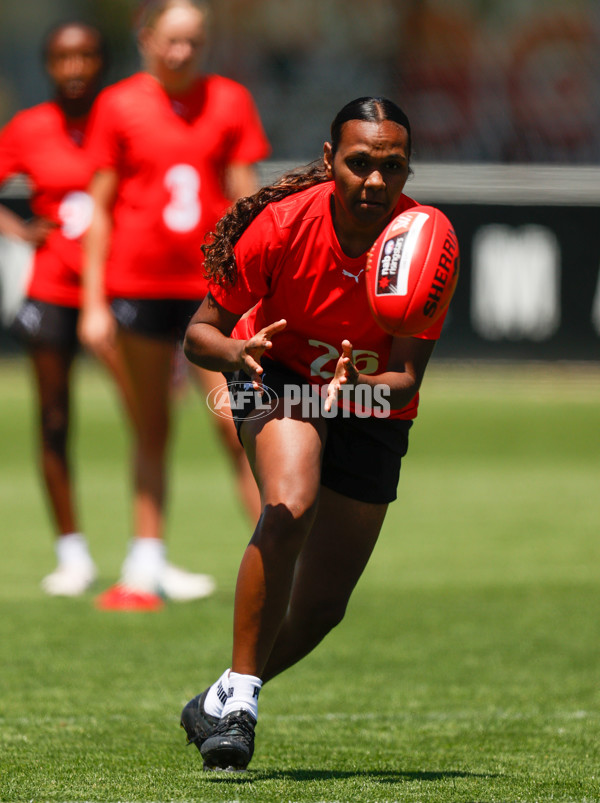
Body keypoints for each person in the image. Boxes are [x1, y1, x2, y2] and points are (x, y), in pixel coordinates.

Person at [180, 96, 455, 770]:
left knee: (324, 605)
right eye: (360, 163)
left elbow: (405, 381)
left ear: (406, 168)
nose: (375, 181)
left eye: (392, 166)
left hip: (368, 401)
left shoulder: (425, 241)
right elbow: (199, 333)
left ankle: (220, 692)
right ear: (331, 161)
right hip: (275, 374)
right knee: (289, 506)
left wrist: (351, 394)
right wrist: (236, 355)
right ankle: (241, 705)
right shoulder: (280, 227)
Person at [79, 0, 270, 609]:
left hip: (211, 297)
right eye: (172, 41)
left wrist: (261, 286)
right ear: (147, 38)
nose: (183, 53)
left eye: (194, 41)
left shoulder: (230, 101)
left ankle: (281, 556)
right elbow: (100, 209)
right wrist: (92, 303)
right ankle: (145, 562)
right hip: (137, 289)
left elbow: (248, 201)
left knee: (236, 423)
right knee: (150, 427)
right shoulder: (118, 105)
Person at [0, 21, 135, 596]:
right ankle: (72, 553)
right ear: (49, 64)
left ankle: (148, 552)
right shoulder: (28, 128)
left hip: (118, 286)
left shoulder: (124, 121)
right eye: (62, 57)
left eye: (85, 56)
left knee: (145, 418)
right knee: (54, 421)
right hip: (52, 288)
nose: (74, 68)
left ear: (103, 62)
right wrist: (15, 227)